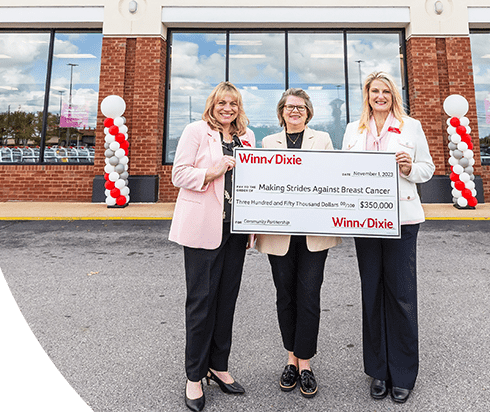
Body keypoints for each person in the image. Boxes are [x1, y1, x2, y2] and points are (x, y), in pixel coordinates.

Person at [342, 72, 434, 404]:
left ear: (393, 94)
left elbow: (428, 168)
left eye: (385, 91)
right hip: (365, 223)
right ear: (366, 95)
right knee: (372, 294)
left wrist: (410, 168)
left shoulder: (411, 126)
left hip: (402, 221)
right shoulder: (354, 129)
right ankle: (378, 371)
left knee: (401, 296)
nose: (380, 96)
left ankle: (404, 373)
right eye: (374, 91)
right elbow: (342, 174)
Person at [168, 82, 256, 412]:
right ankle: (194, 376)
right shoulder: (196, 131)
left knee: (226, 301)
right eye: (222, 102)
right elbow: (179, 174)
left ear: (239, 107)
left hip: (233, 232)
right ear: (212, 104)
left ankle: (218, 366)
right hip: (203, 229)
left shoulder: (246, 138)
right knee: (201, 302)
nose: (227, 108)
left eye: (233, 103)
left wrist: (250, 228)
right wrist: (211, 172)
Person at [256, 88, 341, 399]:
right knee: (285, 296)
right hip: (279, 234)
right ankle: (290, 358)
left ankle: (305, 363)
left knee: (309, 294)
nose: (294, 112)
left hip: (314, 234)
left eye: (300, 107)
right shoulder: (267, 143)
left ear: (308, 113)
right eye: (289, 107)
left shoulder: (323, 141)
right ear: (281, 112)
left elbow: (334, 180)